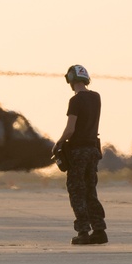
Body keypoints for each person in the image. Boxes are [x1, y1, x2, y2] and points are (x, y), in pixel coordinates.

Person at [55, 64, 107, 245]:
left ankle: (83, 231)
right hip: (93, 150)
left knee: (77, 190)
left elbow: (70, 129)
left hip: (78, 151)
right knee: (90, 190)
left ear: (70, 79)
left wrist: (59, 143)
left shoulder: (75, 100)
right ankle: (99, 230)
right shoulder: (96, 97)